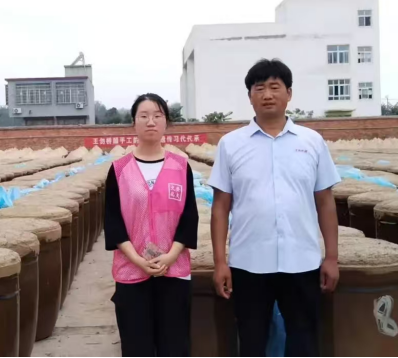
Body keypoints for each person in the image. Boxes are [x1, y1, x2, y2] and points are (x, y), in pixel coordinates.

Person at [208, 59, 341, 357]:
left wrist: (332, 257)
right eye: (259, 88)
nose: (267, 95)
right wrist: (220, 263)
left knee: (304, 341)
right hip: (249, 263)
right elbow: (220, 207)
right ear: (250, 96)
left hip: (302, 261)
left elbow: (325, 201)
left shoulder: (312, 142)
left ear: (289, 93)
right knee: (252, 341)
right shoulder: (230, 144)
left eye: (274, 87)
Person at [104, 93, 199, 357]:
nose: (151, 121)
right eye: (143, 116)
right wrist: (137, 259)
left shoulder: (181, 166)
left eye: (158, 115)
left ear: (166, 122)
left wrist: (170, 255)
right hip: (131, 269)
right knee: (136, 345)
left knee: (175, 345)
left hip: (174, 269)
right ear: (133, 122)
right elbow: (113, 220)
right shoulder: (119, 169)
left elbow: (189, 216)